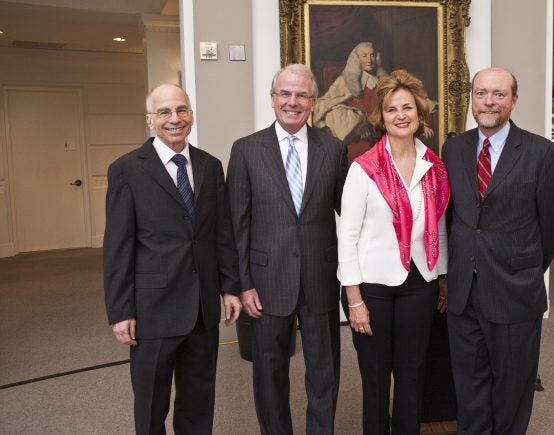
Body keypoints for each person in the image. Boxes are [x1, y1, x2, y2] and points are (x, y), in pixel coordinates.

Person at [103, 83, 242, 434]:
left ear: (192, 116)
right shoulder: (127, 170)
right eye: (164, 112)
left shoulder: (210, 166)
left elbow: (221, 233)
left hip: (202, 310)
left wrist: (229, 288)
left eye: (181, 110)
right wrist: (121, 312)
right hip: (153, 310)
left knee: (198, 402)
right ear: (150, 119)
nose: (174, 119)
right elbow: (118, 246)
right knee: (151, 404)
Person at [442, 67, 554, 434]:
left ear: (514, 100)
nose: (489, 102)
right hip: (463, 290)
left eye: (499, 94)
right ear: (471, 98)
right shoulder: (454, 148)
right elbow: (451, 216)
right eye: (481, 93)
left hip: (515, 290)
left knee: (513, 386)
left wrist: (526, 266)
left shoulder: (541, 153)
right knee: (468, 384)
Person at [226, 64, 348, 435]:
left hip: (320, 278)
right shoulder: (246, 150)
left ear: (313, 102)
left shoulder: (334, 148)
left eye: (301, 95)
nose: (292, 102)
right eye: (285, 94)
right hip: (264, 283)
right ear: (273, 98)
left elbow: (351, 212)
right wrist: (242, 284)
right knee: (269, 372)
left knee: (324, 372)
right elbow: (237, 224)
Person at [337, 69, 450, 434]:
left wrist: (442, 277)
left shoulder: (435, 166)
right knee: (374, 376)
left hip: (421, 282)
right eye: (391, 110)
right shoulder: (363, 169)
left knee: (412, 372)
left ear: (419, 113)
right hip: (372, 286)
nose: (400, 115)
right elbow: (347, 236)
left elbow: (440, 226)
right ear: (381, 118)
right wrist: (353, 299)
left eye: (407, 108)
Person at [314, 41, 388, 145]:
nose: (369, 60)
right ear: (357, 59)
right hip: (357, 127)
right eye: (364, 56)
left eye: (372, 56)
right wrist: (358, 124)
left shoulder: (384, 81)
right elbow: (326, 103)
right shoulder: (344, 81)